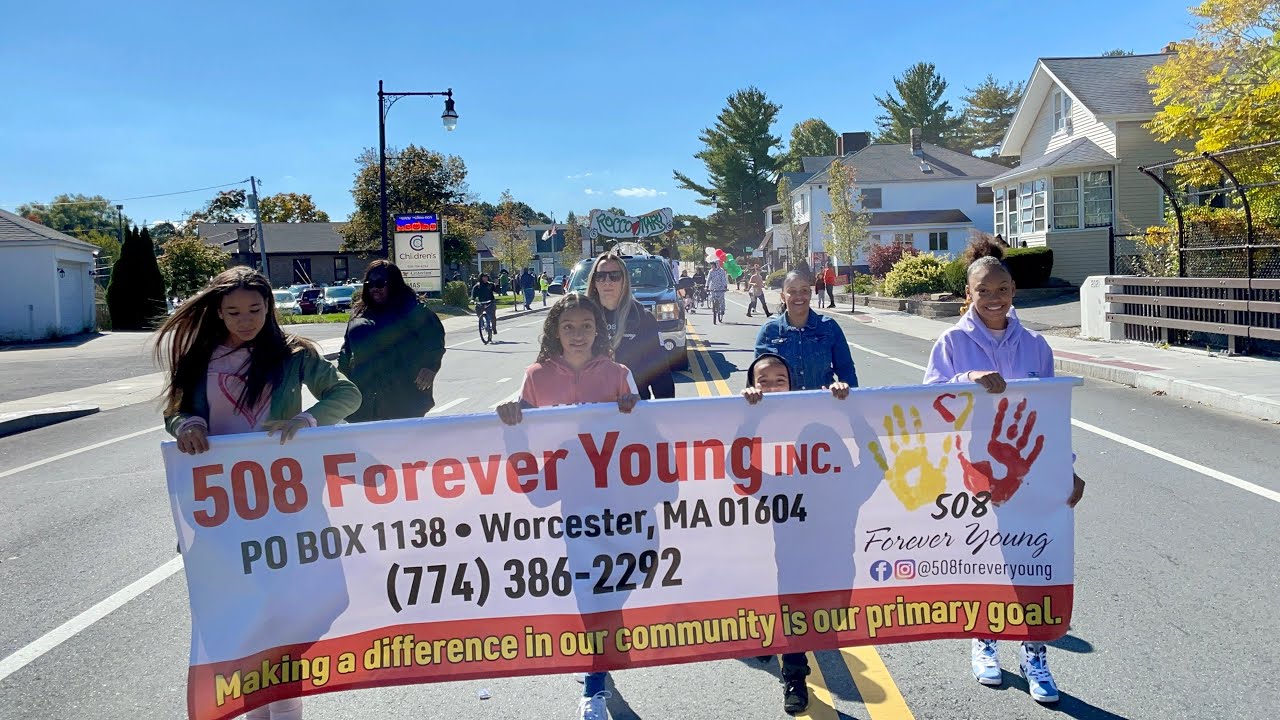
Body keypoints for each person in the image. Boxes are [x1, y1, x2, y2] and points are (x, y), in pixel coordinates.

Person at [156, 266, 361, 720]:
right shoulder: (200, 358)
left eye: (254, 308)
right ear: (218, 312)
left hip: (287, 509)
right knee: (245, 625)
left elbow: (346, 394)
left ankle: (285, 711)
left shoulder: (293, 354)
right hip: (223, 513)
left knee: (286, 624)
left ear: (269, 307)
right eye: (233, 312)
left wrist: (307, 421)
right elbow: (178, 410)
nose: (245, 319)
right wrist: (187, 424)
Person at [923, 236, 1085, 705]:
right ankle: (984, 641)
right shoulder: (952, 342)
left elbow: (1054, 417)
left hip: (1031, 474)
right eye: (984, 291)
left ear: (1013, 289)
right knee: (986, 561)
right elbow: (927, 400)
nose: (994, 298)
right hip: (973, 474)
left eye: (1002, 289)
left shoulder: (1036, 345)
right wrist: (966, 379)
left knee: (1035, 561)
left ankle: (1035, 654)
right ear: (968, 295)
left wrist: (1066, 471)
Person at [496, 293, 640, 720]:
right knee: (590, 589)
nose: (577, 335)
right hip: (572, 501)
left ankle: (603, 646)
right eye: (568, 327)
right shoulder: (536, 377)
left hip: (620, 497)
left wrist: (634, 409)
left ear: (599, 329)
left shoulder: (619, 373)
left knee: (623, 581)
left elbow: (644, 431)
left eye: (585, 326)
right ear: (554, 332)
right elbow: (520, 428)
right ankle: (595, 683)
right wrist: (509, 414)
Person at [739, 352, 848, 713]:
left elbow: (849, 444)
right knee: (777, 593)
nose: (771, 387)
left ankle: (789, 661)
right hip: (765, 524)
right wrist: (752, 418)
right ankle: (783, 658)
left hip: (810, 529)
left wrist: (841, 400)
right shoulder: (741, 416)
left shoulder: (810, 414)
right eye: (762, 381)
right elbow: (737, 470)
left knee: (806, 603)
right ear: (751, 386)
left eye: (779, 380)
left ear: (792, 383)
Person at [338, 260, 446, 422]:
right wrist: (340, 383)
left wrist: (431, 366)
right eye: (370, 284)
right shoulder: (359, 313)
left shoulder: (413, 311)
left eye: (381, 283)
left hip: (402, 400)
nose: (375, 288)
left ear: (394, 285)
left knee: (400, 445)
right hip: (363, 402)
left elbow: (434, 341)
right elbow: (345, 352)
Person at [584, 252, 675, 400]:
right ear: (594, 281)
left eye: (614, 276)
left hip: (633, 409)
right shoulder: (582, 319)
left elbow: (660, 373)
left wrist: (664, 414)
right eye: (600, 276)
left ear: (624, 280)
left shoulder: (642, 318)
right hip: (592, 410)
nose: (607, 281)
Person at [754, 271, 858, 390]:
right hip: (784, 407)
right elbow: (757, 377)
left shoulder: (829, 327)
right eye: (792, 291)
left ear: (810, 293)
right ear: (783, 297)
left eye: (804, 290)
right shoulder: (769, 331)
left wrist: (846, 394)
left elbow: (846, 369)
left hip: (822, 405)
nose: (799, 296)